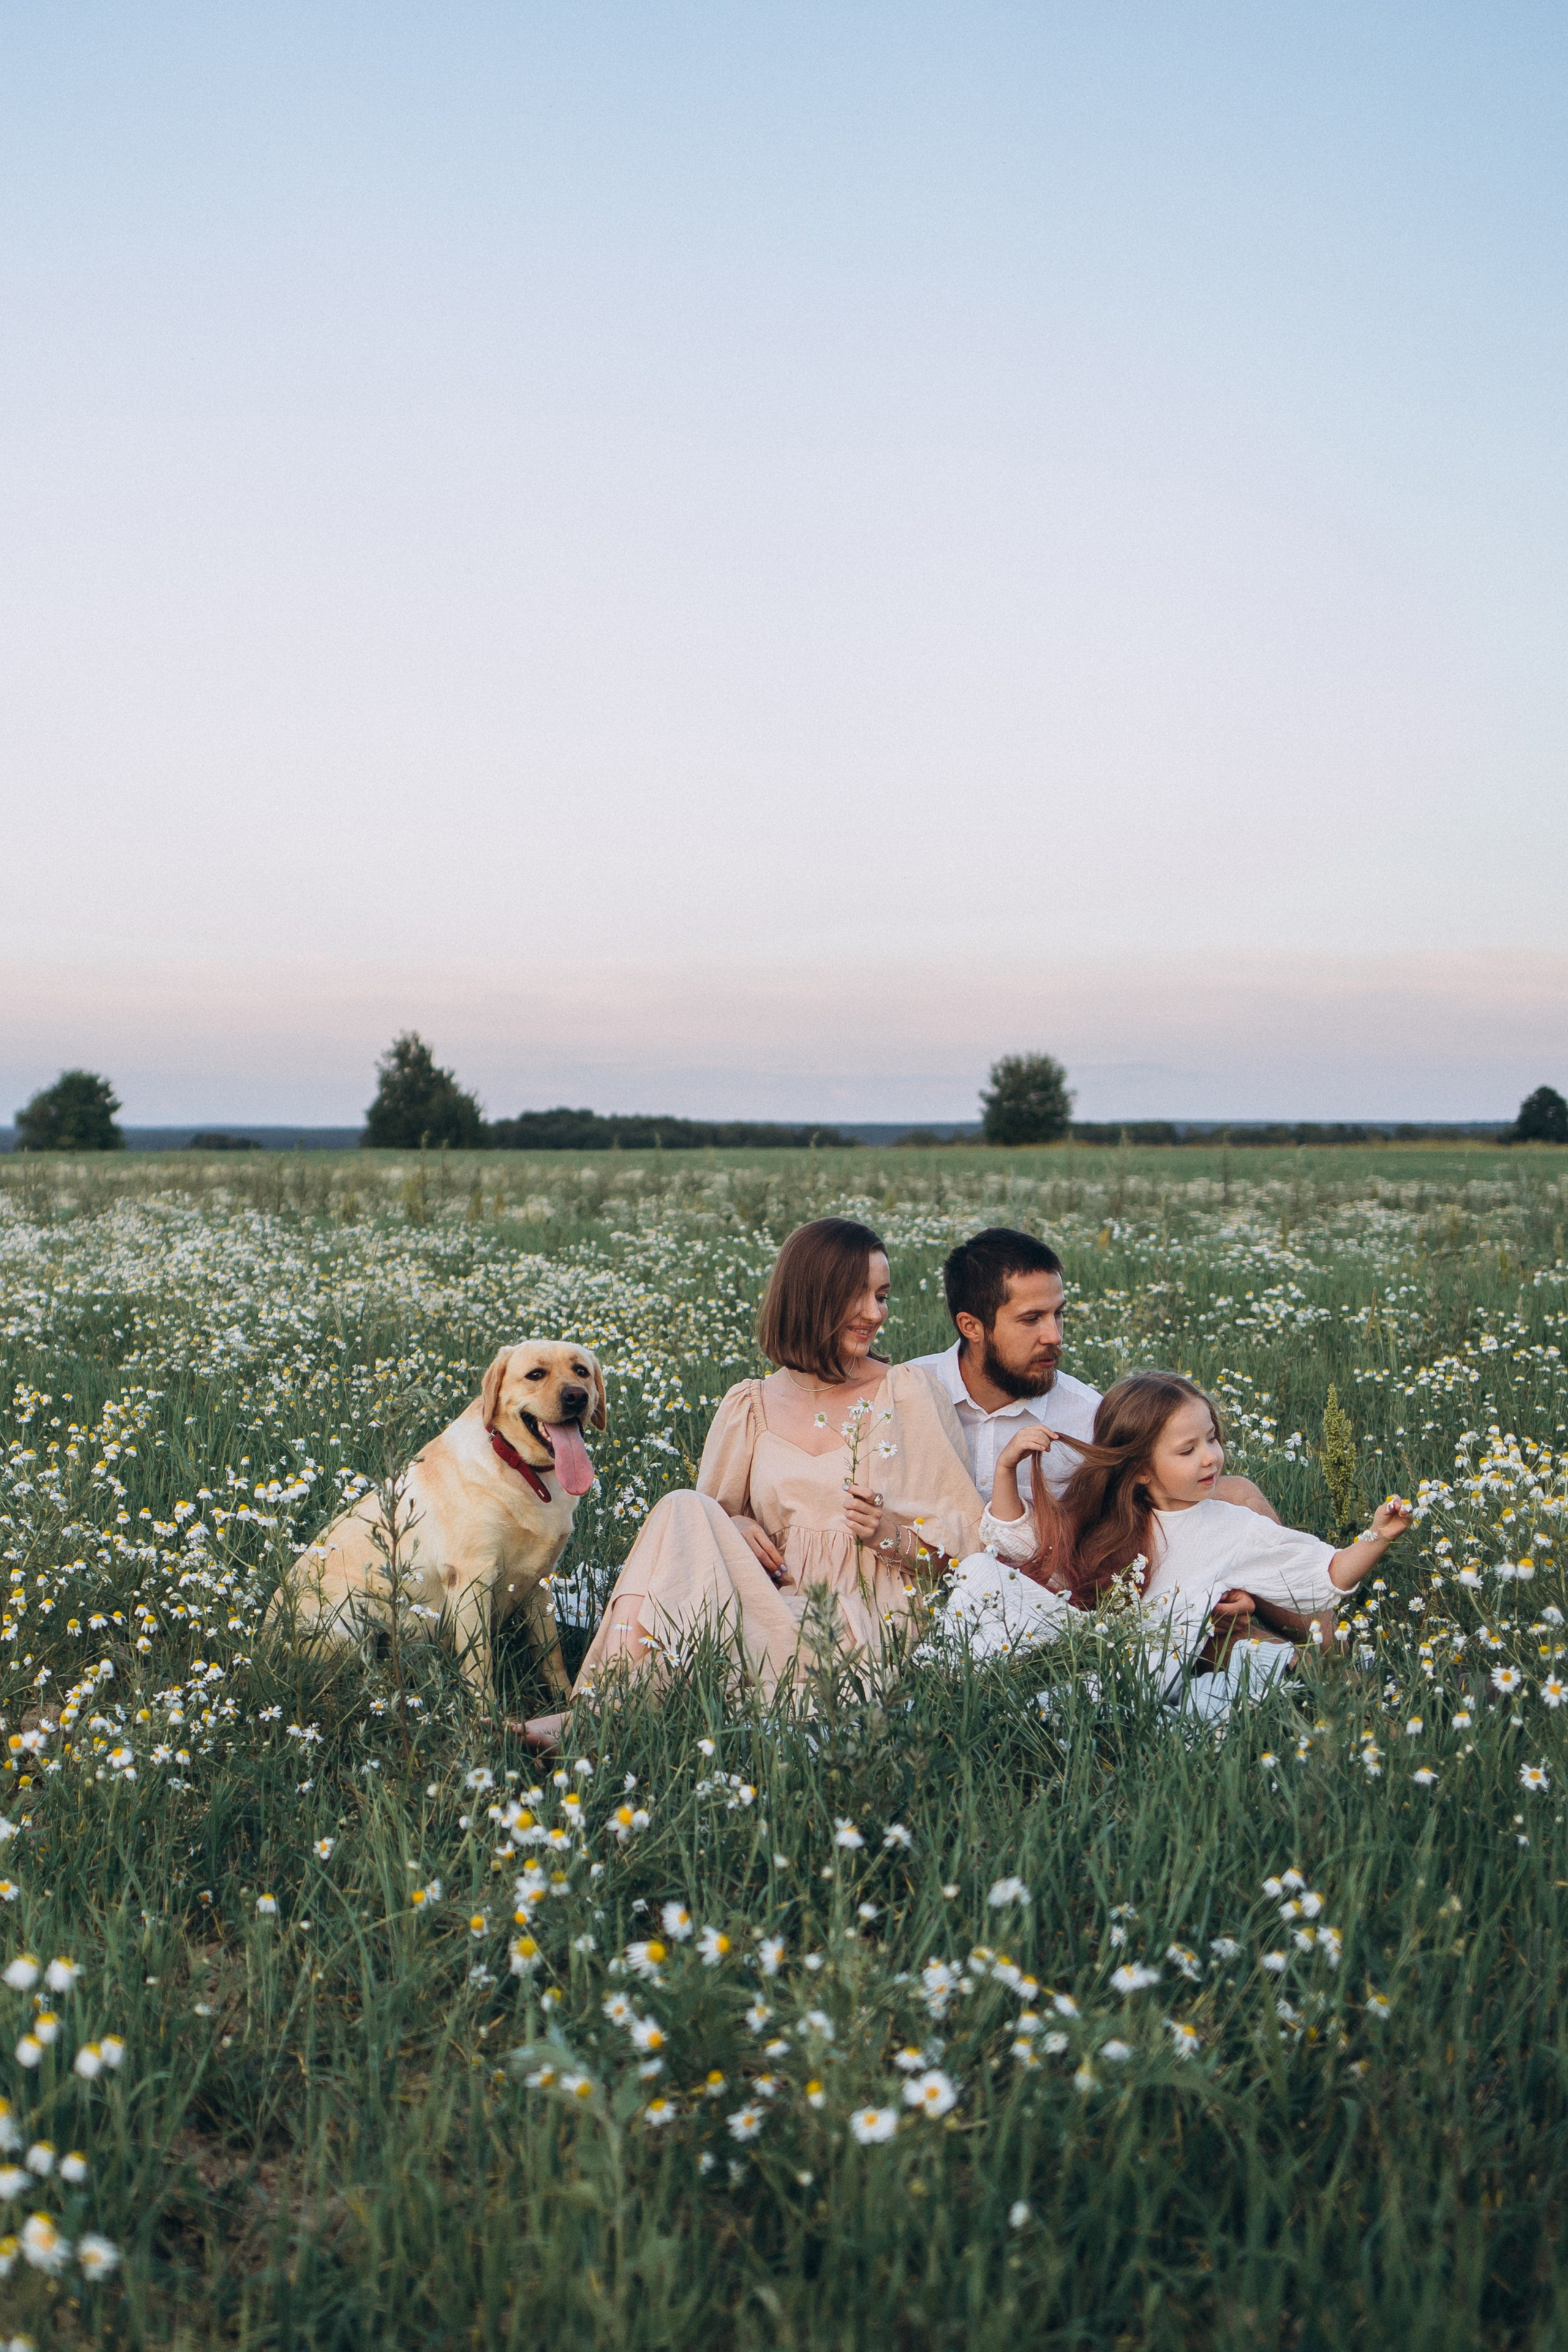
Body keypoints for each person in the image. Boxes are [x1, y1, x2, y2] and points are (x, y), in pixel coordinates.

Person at [522, 1218, 984, 1745]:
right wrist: (736, 1522)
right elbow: (691, 1544)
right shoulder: (751, 1404)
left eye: (882, 1295)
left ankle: (600, 1719)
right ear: (812, 1296)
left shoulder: (907, 1395)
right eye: (859, 1295)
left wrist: (886, 1534)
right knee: (681, 1506)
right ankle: (605, 1717)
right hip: (765, 1612)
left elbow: (963, 1562)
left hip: (856, 1633)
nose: (876, 1313)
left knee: (685, 1523)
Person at [940, 1370, 1413, 1685]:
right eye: (1188, 1451)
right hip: (1092, 1646)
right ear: (1140, 1470)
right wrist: (1007, 1469)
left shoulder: (1231, 1527)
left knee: (1242, 1670)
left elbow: (1324, 1574)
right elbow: (1018, 1542)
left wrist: (1377, 1536)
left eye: (1211, 1438)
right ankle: (949, 1680)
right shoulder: (1107, 1515)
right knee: (984, 1571)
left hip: (1157, 1669)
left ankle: (1333, 1674)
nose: (1211, 1457)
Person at [908, 1226, 1278, 1521]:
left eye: (1059, 1314)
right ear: (971, 1327)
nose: (1054, 1336)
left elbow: (1141, 1514)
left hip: (1053, 1592)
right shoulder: (908, 1393)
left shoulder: (1089, 1415)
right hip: (919, 1579)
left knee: (1240, 1496)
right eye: (1031, 1319)